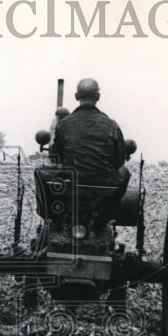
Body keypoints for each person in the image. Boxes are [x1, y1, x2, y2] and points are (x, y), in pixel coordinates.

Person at [49, 78, 130, 225]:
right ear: (97, 97)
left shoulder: (63, 124)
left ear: (76, 96)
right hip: (104, 186)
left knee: (44, 175)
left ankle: (56, 221)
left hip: (71, 184)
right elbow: (119, 162)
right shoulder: (112, 125)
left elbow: (55, 158)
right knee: (125, 173)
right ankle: (102, 220)